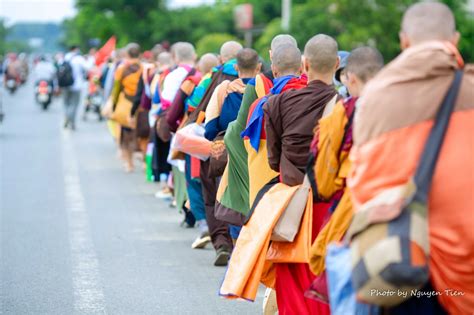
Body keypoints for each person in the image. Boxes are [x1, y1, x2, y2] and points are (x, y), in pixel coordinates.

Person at [348, 3, 473, 314]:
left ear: (404, 41)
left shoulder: (374, 98)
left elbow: (361, 187)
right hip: (467, 266)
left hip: (401, 262)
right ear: (454, 40)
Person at [263, 34, 340, 315]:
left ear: (304, 64)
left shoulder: (277, 103)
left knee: (293, 279)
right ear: (337, 64)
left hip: (292, 201)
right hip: (330, 205)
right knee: (324, 277)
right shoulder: (346, 107)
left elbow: (273, 159)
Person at [306, 47, 384, 301]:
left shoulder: (346, 111)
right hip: (399, 200)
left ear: (350, 77)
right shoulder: (404, 105)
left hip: (354, 200)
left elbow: (324, 170)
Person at [218, 34, 297, 218]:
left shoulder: (258, 84)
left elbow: (240, 128)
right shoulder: (308, 84)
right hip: (299, 163)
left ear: (271, 56)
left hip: (264, 159)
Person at [187, 40, 243, 266]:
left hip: (219, 147)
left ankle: (221, 243)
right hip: (249, 148)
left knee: (212, 195)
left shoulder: (211, 80)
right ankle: (240, 245)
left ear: (222, 59)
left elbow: (194, 106)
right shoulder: (261, 81)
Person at [203, 48, 261, 241]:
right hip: (258, 157)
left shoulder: (224, 90)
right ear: (259, 67)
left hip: (228, 156)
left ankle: (232, 249)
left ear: (236, 67)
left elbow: (209, 129)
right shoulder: (265, 91)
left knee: (231, 203)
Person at [165, 53, 219, 248]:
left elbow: (182, 109)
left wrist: (174, 129)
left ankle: (205, 225)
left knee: (195, 181)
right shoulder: (236, 82)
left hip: (199, 138)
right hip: (225, 140)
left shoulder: (198, 83)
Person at [111, 43, 143, 172]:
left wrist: (114, 105)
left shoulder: (121, 69)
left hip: (126, 104)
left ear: (127, 55)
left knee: (125, 134)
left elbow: (116, 88)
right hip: (141, 105)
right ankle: (145, 163)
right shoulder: (144, 68)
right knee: (141, 134)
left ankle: (129, 163)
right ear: (139, 54)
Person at [62, 46, 88, 130]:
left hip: (65, 84)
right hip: (77, 85)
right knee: (74, 104)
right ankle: (71, 120)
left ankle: (67, 117)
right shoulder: (79, 59)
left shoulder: (65, 57)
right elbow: (88, 67)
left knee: (66, 103)